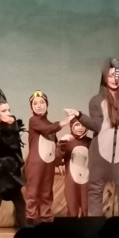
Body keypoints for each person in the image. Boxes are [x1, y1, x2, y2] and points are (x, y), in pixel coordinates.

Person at [70, 58, 119, 221]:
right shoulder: (96, 100)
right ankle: (94, 227)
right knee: (95, 189)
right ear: (105, 77)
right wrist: (79, 115)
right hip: (100, 153)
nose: (115, 79)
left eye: (118, 76)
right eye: (111, 76)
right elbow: (96, 126)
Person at [0, 85, 27, 235]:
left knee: (20, 204)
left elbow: (15, 149)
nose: (8, 113)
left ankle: (25, 235)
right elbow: (5, 143)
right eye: (3, 111)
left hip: (11, 175)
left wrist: (13, 127)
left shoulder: (11, 129)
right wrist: (12, 126)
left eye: (9, 110)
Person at [25, 89, 72, 225]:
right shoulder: (34, 121)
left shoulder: (50, 124)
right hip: (35, 164)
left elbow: (53, 146)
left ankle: (46, 219)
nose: (39, 106)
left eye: (41, 102)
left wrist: (59, 162)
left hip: (48, 164)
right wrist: (65, 122)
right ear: (31, 107)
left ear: (46, 104)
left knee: (46, 193)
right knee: (33, 191)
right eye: (35, 103)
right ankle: (31, 219)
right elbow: (47, 129)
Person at [56, 116, 91, 218]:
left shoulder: (91, 142)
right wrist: (62, 142)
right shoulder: (67, 141)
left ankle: (86, 226)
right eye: (77, 125)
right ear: (72, 126)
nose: (80, 128)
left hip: (87, 180)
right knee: (72, 208)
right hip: (71, 181)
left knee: (86, 208)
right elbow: (56, 158)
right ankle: (72, 226)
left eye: (83, 125)